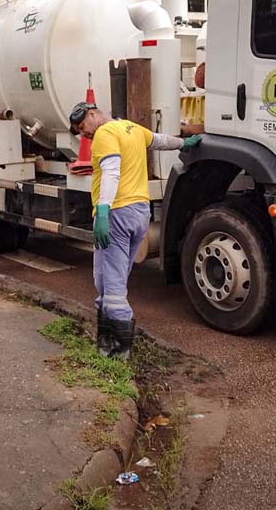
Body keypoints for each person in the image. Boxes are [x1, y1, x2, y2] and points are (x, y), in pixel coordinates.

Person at [69, 101, 201, 359]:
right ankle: (106, 339)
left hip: (116, 213)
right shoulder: (131, 128)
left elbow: (111, 172)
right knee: (107, 278)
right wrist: (184, 143)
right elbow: (160, 141)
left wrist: (103, 211)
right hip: (139, 212)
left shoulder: (105, 133)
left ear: (93, 114)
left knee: (113, 284)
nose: (84, 134)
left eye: (83, 127)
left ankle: (119, 351)